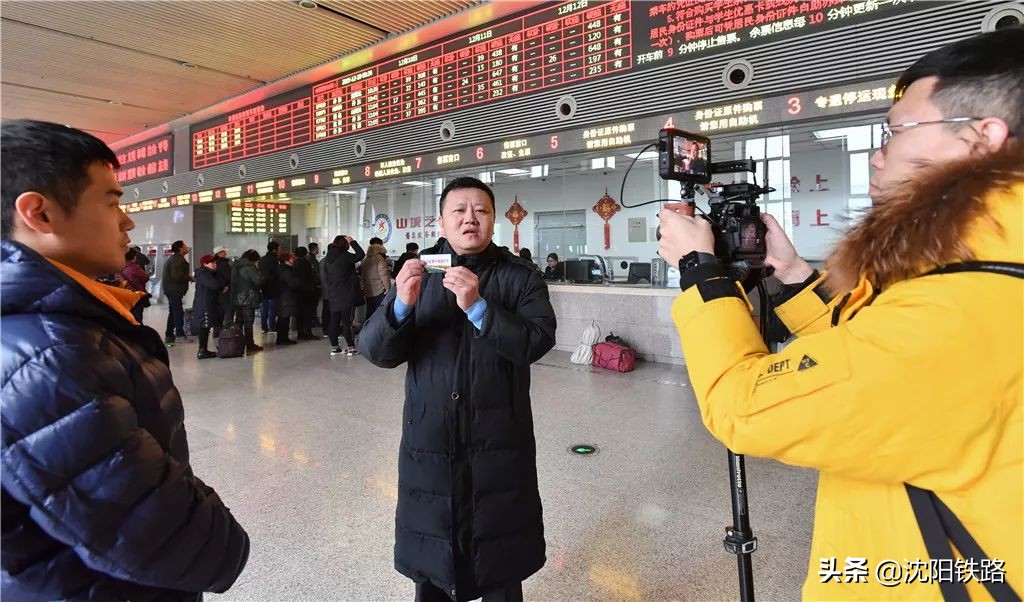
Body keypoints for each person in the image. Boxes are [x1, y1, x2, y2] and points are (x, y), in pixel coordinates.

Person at [657, 30, 1022, 600]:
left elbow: (741, 406)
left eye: (895, 132)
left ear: (982, 139)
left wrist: (700, 271)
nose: (879, 154)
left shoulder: (962, 310)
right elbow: (870, 350)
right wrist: (798, 275)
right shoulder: (981, 271)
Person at [0, 119, 249, 598]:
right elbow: (166, 535)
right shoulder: (48, 355)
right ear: (39, 213)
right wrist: (227, 543)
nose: (127, 221)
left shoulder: (59, 327)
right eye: (112, 201)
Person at [359, 176, 556, 602]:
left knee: (499, 562)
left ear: (493, 220)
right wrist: (400, 304)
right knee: (434, 564)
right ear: (442, 223)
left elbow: (536, 341)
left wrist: (479, 307)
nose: (471, 218)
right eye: (459, 211)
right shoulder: (418, 276)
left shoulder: (520, 277)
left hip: (499, 444)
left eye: (481, 211)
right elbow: (375, 351)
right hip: (430, 445)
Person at [324, 234, 365, 356]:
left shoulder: (328, 258)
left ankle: (334, 347)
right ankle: (351, 347)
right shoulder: (345, 256)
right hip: (345, 293)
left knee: (334, 321)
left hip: (333, 293)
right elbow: (361, 255)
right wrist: (353, 242)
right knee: (346, 321)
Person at [231, 248, 264, 355]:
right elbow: (258, 281)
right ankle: (250, 344)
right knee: (248, 322)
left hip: (236, 297)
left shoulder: (235, 265)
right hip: (248, 297)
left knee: (239, 321)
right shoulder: (249, 267)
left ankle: (238, 343)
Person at [162, 239, 192, 344]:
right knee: (178, 312)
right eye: (185, 246)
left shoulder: (175, 258)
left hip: (171, 289)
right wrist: (190, 277)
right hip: (174, 289)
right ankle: (180, 335)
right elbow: (177, 275)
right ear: (180, 248)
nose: (187, 247)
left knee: (173, 311)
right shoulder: (177, 259)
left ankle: (169, 335)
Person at [192, 253, 221, 359]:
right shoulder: (204, 274)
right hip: (204, 304)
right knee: (204, 326)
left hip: (206, 303)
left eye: (215, 262)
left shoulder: (207, 273)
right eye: (212, 262)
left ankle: (203, 349)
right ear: (205, 264)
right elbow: (214, 285)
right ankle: (202, 350)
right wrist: (221, 286)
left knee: (205, 326)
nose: (215, 264)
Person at [361, 236, 392, 318]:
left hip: (368, 290)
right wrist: (388, 288)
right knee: (381, 313)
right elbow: (384, 275)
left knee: (370, 312)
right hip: (379, 290)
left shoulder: (365, 259)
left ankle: (368, 328)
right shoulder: (380, 258)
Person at [119, 246, 151, 323]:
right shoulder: (135, 267)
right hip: (135, 295)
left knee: (124, 317)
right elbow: (145, 277)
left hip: (122, 295)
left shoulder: (118, 266)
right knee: (136, 318)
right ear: (134, 257)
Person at [293, 246, 318, 340]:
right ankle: (307, 332)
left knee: (300, 314)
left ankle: (301, 333)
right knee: (308, 313)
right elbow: (309, 277)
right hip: (307, 292)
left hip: (299, 292)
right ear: (305, 254)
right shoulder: (305, 263)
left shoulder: (295, 263)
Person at [258, 240, 282, 333]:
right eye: (279, 248)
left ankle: (264, 327)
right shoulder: (274, 260)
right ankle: (272, 327)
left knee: (264, 309)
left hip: (264, 287)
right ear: (274, 250)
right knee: (272, 309)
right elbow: (276, 273)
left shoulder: (262, 259)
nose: (280, 250)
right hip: (273, 287)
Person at [275, 251, 299, 346]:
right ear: (286, 260)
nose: (293, 259)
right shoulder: (286, 271)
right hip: (286, 296)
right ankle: (282, 338)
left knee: (283, 317)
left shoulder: (281, 269)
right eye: (291, 258)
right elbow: (292, 283)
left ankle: (282, 337)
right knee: (284, 317)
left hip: (283, 295)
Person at [214, 245, 233, 331]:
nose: (226, 253)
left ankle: (217, 331)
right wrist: (225, 286)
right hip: (225, 291)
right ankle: (225, 332)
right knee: (227, 311)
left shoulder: (215, 263)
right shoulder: (223, 264)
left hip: (218, 291)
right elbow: (228, 277)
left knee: (218, 312)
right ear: (219, 253)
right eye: (224, 251)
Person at [308, 241, 323, 327]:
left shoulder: (310, 258)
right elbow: (315, 273)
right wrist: (318, 283)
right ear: (315, 249)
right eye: (317, 248)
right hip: (313, 286)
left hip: (311, 285)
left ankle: (313, 320)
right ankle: (313, 321)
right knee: (313, 305)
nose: (318, 250)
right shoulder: (312, 259)